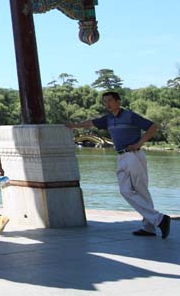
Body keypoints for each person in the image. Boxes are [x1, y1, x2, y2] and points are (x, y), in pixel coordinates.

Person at [65, 91, 171, 239]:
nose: (107, 104)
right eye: (104, 101)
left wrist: (139, 143)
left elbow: (153, 127)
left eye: (109, 100)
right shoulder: (108, 119)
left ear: (118, 101)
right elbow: (91, 122)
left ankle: (149, 227)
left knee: (141, 191)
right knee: (125, 190)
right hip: (121, 156)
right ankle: (158, 219)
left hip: (134, 155)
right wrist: (72, 126)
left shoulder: (129, 116)